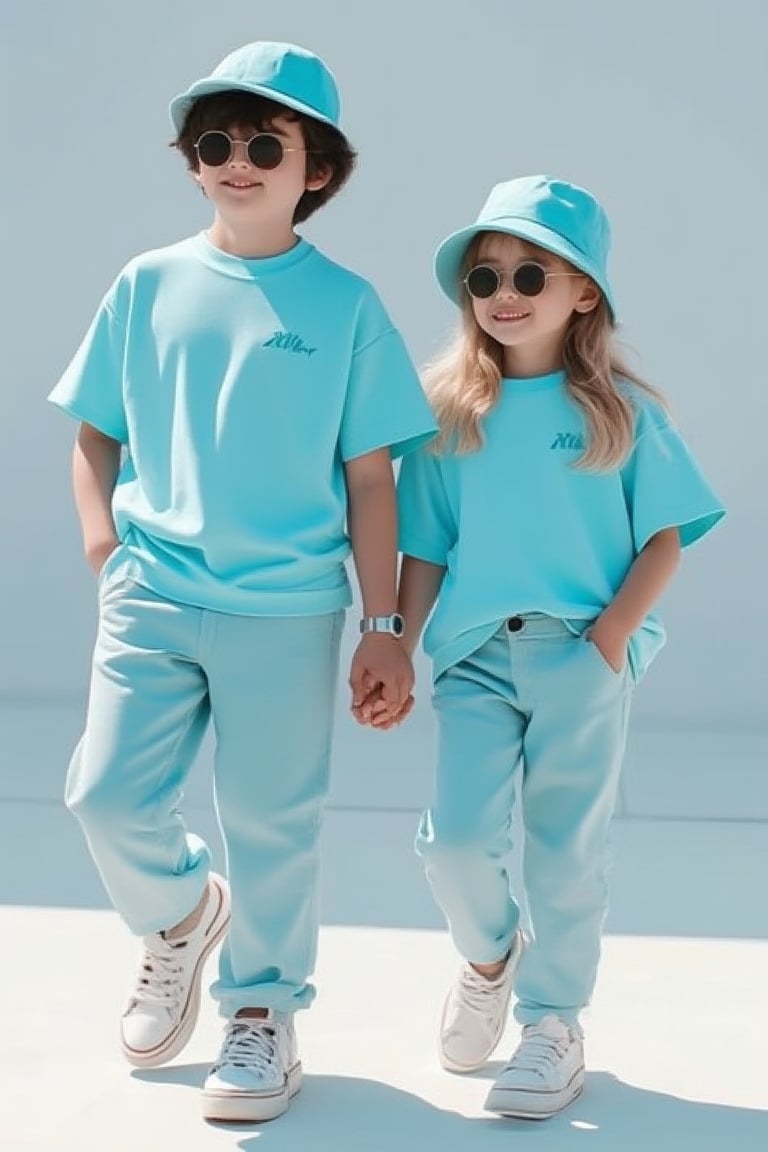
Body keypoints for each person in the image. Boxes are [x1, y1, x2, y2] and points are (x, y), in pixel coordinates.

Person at [48, 40, 436, 1124]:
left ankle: (261, 1017)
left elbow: (373, 481)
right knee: (102, 794)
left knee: (274, 820)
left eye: (266, 141)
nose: (238, 160)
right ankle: (180, 915)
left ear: (318, 167)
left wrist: (385, 625)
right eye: (215, 142)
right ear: (192, 161)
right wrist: (102, 550)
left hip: (289, 609)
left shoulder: (349, 307)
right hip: (152, 593)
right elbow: (95, 432)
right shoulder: (147, 282)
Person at [369, 175, 725, 1118]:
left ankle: (554, 1022)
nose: (505, 293)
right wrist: (397, 645)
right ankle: (489, 958)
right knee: (455, 843)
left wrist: (610, 636)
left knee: (567, 853)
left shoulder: (623, 415)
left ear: (584, 295)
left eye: (530, 271)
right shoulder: (451, 419)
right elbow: (424, 549)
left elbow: (665, 536)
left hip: (580, 656)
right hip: (477, 658)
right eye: (484, 280)